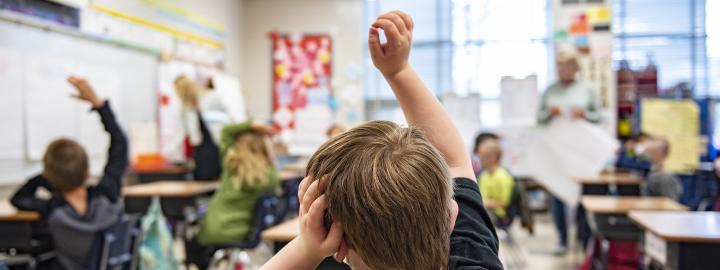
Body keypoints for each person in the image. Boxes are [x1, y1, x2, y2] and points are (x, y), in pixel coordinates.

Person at [260, 11, 502, 270]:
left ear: (340, 247)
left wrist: (306, 249)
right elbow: (455, 162)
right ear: (451, 217)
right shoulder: (471, 260)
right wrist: (399, 71)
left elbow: (453, 163)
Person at [10, 76, 128, 269]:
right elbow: (120, 144)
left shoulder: (51, 209)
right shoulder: (107, 195)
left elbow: (18, 198)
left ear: (48, 177)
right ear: (88, 170)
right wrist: (99, 105)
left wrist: (45, 179)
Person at [185, 120, 279, 269]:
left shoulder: (231, 165)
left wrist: (252, 125)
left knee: (191, 241)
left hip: (215, 230)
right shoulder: (269, 177)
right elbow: (276, 175)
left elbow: (226, 132)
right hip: (243, 232)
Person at [538, 49, 602, 254]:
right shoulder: (550, 91)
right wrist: (550, 112)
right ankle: (562, 239)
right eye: (559, 66)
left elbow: (597, 117)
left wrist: (584, 114)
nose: (562, 70)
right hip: (557, 151)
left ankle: (584, 239)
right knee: (558, 193)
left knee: (583, 195)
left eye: (566, 65)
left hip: (581, 152)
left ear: (575, 67)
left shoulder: (588, 89)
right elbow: (539, 120)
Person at [172, 75, 232, 180]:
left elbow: (226, 121)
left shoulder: (211, 98)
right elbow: (180, 133)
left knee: (219, 176)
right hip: (201, 150)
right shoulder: (186, 109)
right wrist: (167, 154)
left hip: (217, 145)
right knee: (204, 177)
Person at [477, 140, 515, 222]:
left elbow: (505, 204)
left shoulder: (502, 177)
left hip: (499, 216)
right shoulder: (483, 175)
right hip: (486, 212)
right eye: (480, 156)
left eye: (484, 156)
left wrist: (485, 203)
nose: (480, 159)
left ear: (493, 157)